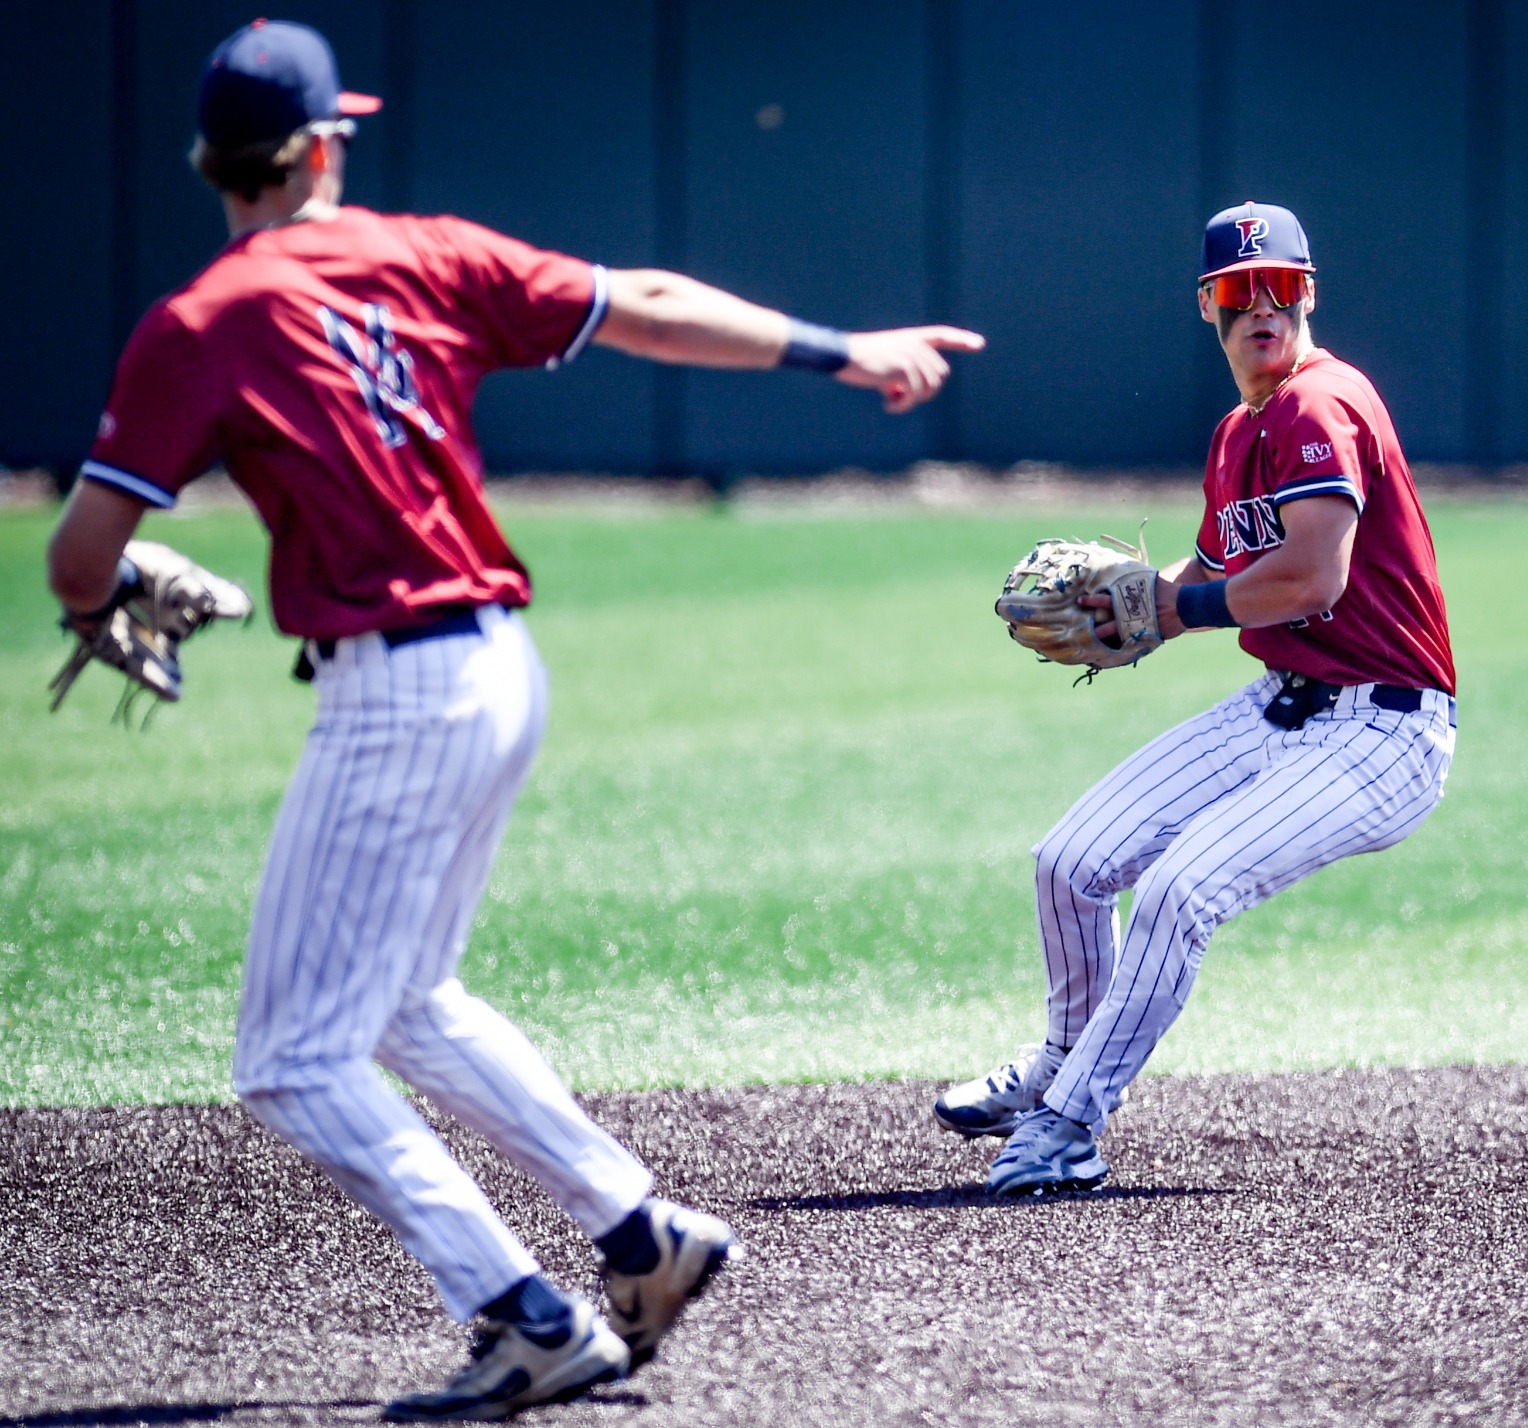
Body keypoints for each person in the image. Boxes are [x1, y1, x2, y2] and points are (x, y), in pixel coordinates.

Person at [46, 20, 983, 1421]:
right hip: (497, 670)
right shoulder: (419, 253)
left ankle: (524, 1315)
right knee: (406, 1003)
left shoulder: (196, 326)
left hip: (396, 692)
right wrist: (843, 352)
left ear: (211, 166)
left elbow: (79, 556)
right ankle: (638, 1235)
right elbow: (649, 298)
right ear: (322, 148)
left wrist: (107, 590)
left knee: (293, 1060)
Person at [935, 201, 1455, 1196]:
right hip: (1281, 705)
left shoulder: (1320, 403)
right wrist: (1135, 599)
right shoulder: (1236, 430)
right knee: (1068, 864)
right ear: (1207, 309)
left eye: (1280, 288)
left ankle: (1066, 1124)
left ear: (1306, 295)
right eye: (1236, 292)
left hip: (1384, 733)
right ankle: (1064, 1056)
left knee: (1180, 891)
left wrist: (1171, 615)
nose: (1261, 308)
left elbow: (1310, 582)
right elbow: (1219, 561)